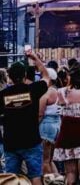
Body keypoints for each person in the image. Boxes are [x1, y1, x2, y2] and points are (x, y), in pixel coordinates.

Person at [0, 50, 51, 185]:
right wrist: (35, 59)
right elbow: (46, 77)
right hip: (32, 141)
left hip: (11, 143)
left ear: (9, 77)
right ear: (24, 76)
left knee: (11, 179)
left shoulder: (3, 95)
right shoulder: (33, 89)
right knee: (36, 177)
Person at [39, 68, 61, 177]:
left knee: (44, 160)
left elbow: (40, 114)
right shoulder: (58, 91)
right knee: (50, 160)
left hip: (46, 126)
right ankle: (58, 181)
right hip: (57, 125)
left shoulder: (46, 93)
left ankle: (48, 181)